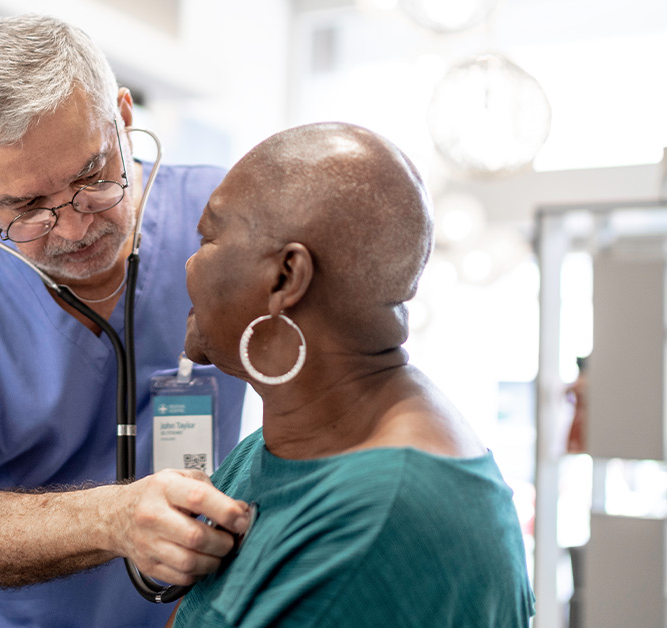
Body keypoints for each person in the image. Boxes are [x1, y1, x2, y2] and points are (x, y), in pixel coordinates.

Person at [0, 14, 251, 628]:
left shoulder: (222, 221)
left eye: (91, 176)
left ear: (124, 118)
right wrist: (114, 517)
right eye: (26, 206)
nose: (75, 228)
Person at [171, 122, 536, 627]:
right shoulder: (290, 441)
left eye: (208, 237)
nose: (188, 264)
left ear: (285, 277)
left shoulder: (380, 521)